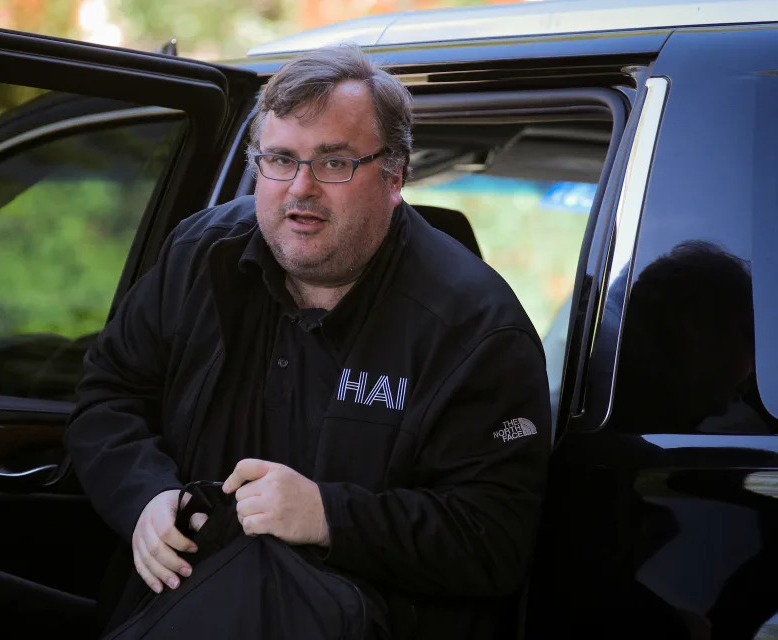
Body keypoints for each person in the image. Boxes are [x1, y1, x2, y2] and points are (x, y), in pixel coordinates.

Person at [66, 44, 550, 640]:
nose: (300, 189)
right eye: (279, 159)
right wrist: (143, 496)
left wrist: (329, 516)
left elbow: (492, 539)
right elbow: (107, 396)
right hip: (171, 614)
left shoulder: (473, 329)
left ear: (394, 176)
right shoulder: (199, 257)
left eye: (333, 163)